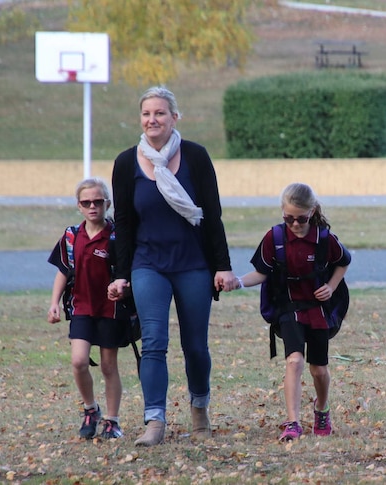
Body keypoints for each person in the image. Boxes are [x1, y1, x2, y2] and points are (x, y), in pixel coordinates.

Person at [107, 85, 238, 446]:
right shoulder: (125, 162)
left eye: (160, 113)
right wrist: (121, 275)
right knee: (153, 343)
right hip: (147, 264)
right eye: (147, 113)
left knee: (195, 345)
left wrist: (222, 266)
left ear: (174, 117)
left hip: (193, 265)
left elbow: (212, 215)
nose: (153, 119)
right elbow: (124, 223)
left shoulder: (195, 157)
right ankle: (154, 421)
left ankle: (199, 410)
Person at [233, 183, 351, 442]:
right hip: (289, 309)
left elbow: (343, 261)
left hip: (317, 310)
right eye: (289, 219)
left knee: (318, 370)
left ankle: (322, 409)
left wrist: (330, 288)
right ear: (282, 213)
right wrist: (238, 282)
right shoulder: (274, 239)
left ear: (312, 212)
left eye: (301, 218)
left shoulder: (324, 238)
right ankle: (293, 422)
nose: (295, 224)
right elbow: (261, 273)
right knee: (294, 361)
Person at [47, 177, 129, 440]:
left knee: (108, 366)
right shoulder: (72, 236)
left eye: (98, 201)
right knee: (79, 361)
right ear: (79, 206)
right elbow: (63, 271)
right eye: (86, 202)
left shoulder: (117, 236)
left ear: (108, 203)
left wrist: (123, 288)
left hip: (110, 310)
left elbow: (127, 273)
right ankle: (90, 409)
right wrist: (54, 304)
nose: (92, 206)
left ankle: (112, 421)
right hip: (81, 307)